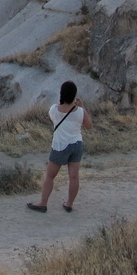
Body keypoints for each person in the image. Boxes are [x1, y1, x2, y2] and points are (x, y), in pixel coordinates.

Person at [27, 81, 93, 213]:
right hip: (76, 144)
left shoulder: (54, 110)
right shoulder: (80, 112)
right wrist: (83, 107)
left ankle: (43, 203)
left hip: (60, 145)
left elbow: (53, 118)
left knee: (50, 176)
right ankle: (69, 203)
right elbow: (89, 126)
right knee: (74, 176)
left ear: (61, 94)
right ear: (74, 95)